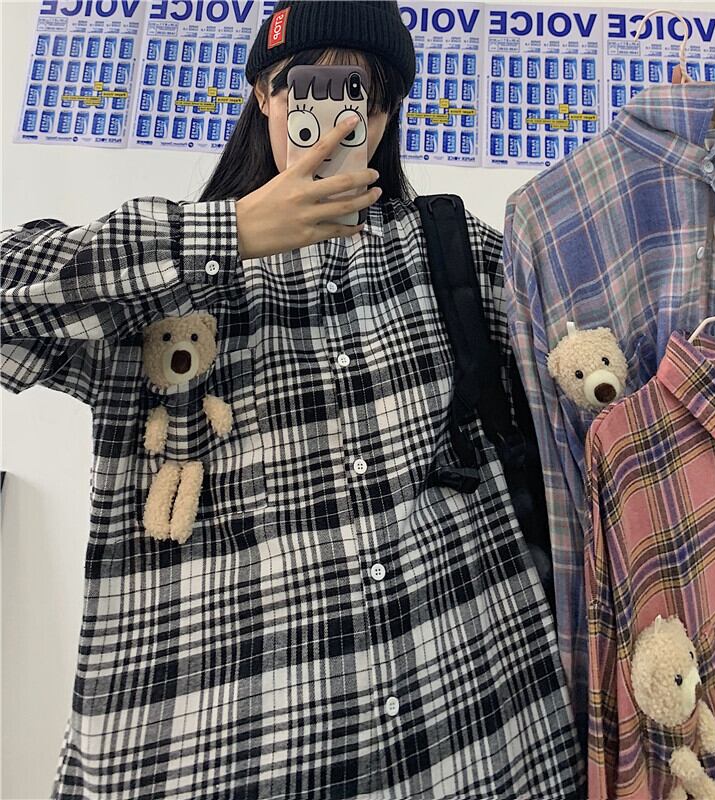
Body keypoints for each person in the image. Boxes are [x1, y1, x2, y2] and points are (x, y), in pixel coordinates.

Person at [0, 2, 582, 797]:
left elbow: (596, 374)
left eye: (358, 92)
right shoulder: (161, 280)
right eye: (305, 86)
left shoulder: (459, 255)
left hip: (480, 746)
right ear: (264, 97)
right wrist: (225, 235)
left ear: (386, 114)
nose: (332, 118)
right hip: (214, 757)